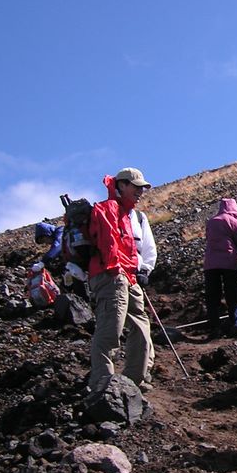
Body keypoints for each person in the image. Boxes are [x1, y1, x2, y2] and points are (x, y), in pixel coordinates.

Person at [86, 167, 153, 394]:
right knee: (110, 328)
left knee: (141, 326)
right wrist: (119, 272)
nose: (140, 192)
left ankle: (133, 381)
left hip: (128, 276)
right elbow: (109, 245)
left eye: (142, 188)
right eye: (136, 187)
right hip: (112, 275)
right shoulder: (107, 209)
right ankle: (103, 384)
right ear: (122, 185)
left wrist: (137, 271)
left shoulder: (129, 214)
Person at [203, 198, 237, 338]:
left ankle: (215, 327)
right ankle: (236, 325)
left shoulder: (211, 222)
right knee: (233, 296)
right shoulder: (233, 221)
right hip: (229, 263)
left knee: (213, 297)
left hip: (210, 264)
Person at [130, 208, 157, 385]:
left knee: (137, 320)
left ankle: (144, 366)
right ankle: (144, 367)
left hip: (114, 277)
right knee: (139, 320)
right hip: (131, 276)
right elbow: (149, 247)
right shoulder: (137, 217)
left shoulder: (137, 217)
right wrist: (145, 269)